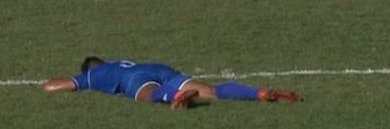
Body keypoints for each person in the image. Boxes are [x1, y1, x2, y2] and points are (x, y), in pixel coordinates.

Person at [43, 57, 301, 109]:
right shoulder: (122, 61)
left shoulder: (96, 74)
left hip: (134, 80)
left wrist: (78, 79)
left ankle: (173, 97)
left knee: (149, 94)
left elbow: (52, 86)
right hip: (157, 67)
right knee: (211, 91)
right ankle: (257, 92)